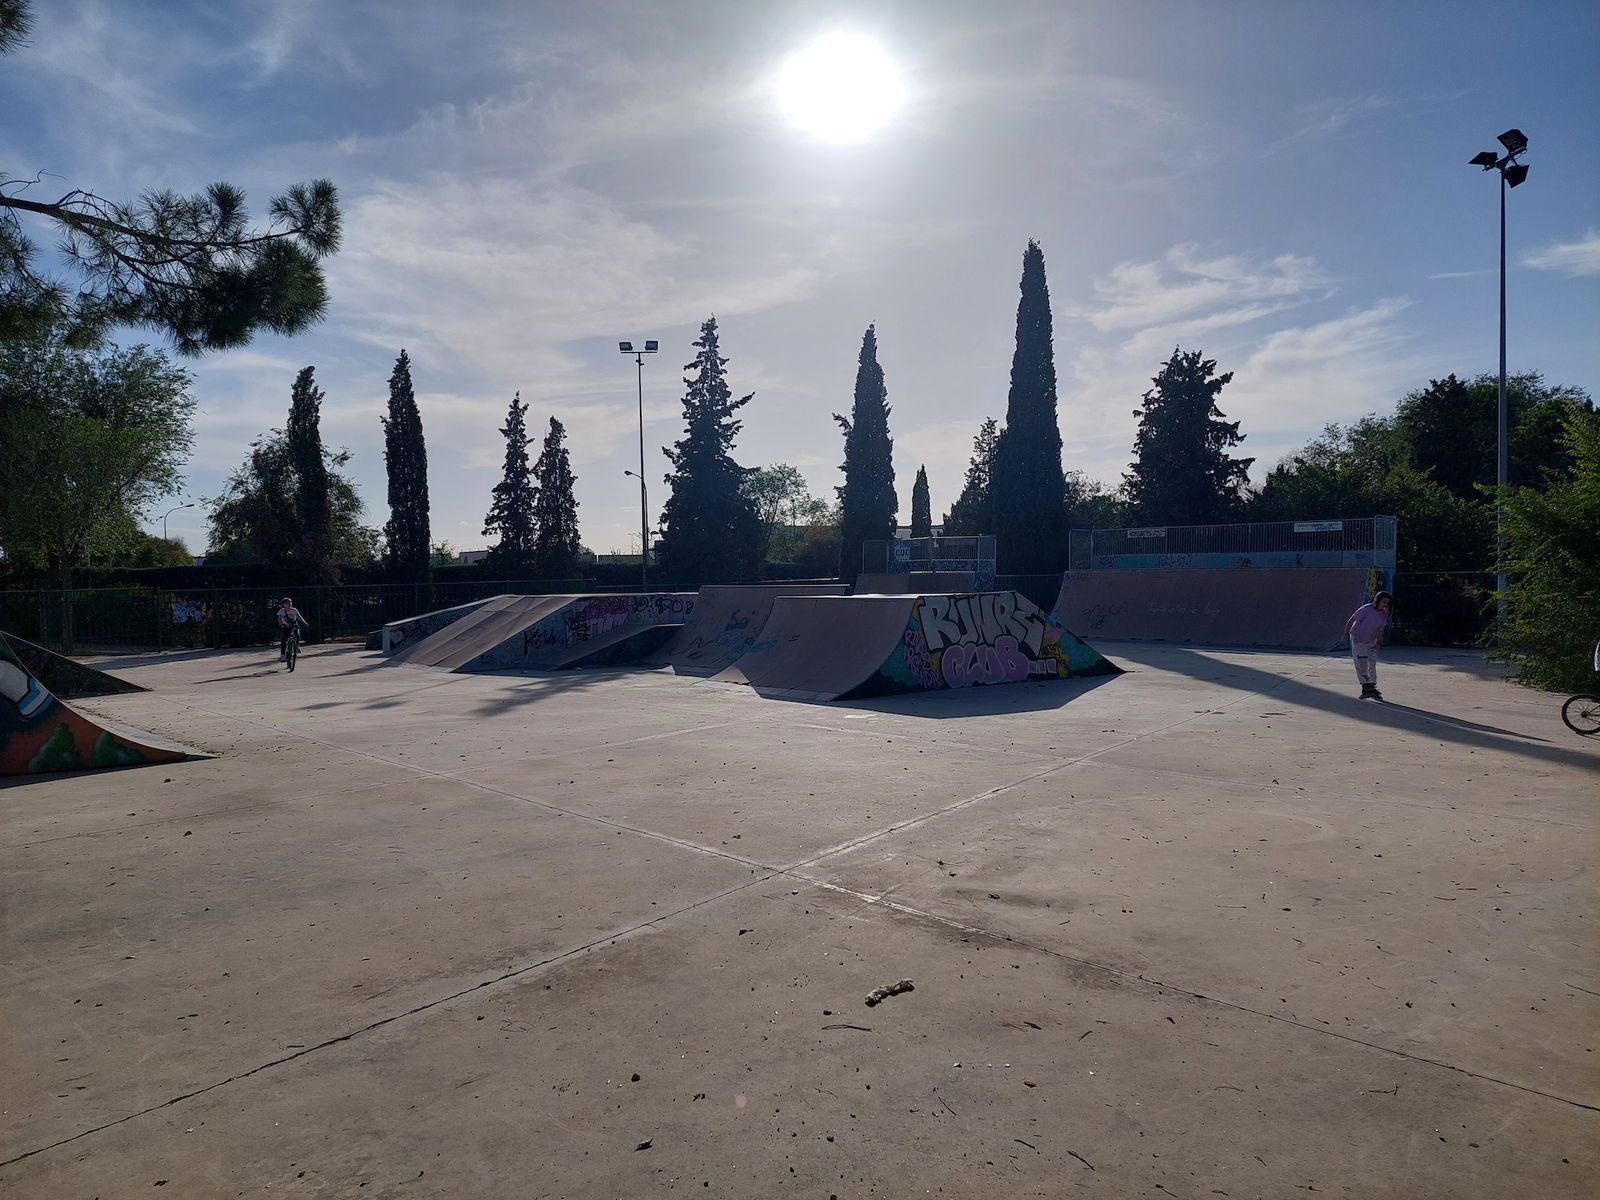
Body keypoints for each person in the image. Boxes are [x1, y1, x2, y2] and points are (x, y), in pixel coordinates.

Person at [1344, 590, 1392, 700]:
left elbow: (1380, 630)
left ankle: (1372, 685)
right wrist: (1345, 634)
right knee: (1361, 662)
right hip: (1358, 638)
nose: (1385, 604)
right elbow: (1352, 619)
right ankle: (1366, 686)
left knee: (1372, 662)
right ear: (1378, 600)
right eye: (1384, 602)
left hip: (1371, 640)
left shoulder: (1384, 614)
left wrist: (1379, 642)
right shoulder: (1366, 609)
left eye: (1387, 603)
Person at [276, 597, 308, 662]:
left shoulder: (294, 610)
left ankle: (297, 646)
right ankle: (282, 655)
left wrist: (304, 623)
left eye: (290, 602)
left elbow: (299, 617)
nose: (290, 604)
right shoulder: (281, 611)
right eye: (288, 603)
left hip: (293, 624)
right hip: (285, 625)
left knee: (297, 634)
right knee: (283, 639)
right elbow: (279, 619)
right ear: (284, 604)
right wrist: (281, 624)